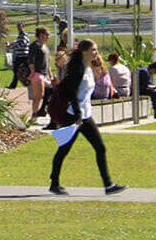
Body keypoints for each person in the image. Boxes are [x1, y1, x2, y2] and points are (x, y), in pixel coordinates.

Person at [48, 39, 125, 196]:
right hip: (74, 115)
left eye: (96, 50)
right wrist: (77, 114)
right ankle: (54, 183)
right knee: (64, 149)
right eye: (93, 50)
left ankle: (108, 185)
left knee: (100, 147)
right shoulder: (78, 69)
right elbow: (72, 93)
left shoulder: (89, 68)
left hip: (85, 115)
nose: (96, 53)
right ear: (84, 52)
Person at [25, 27, 54, 122]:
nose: (48, 37)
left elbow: (48, 62)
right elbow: (30, 60)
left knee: (48, 92)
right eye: (47, 34)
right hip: (37, 73)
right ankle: (34, 116)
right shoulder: (35, 45)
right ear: (41, 35)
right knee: (38, 96)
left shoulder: (45, 46)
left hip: (45, 74)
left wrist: (51, 75)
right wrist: (32, 72)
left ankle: (41, 111)